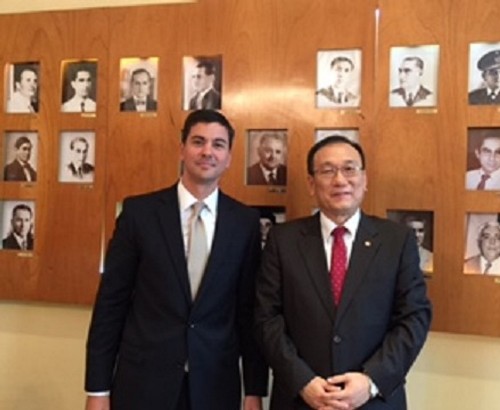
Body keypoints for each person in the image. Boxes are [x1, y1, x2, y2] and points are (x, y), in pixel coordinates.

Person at [85, 110, 268, 410]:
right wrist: (97, 389)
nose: (207, 151)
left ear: (229, 157)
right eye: (198, 142)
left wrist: (254, 390)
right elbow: (110, 304)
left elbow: (248, 313)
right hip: (143, 384)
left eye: (218, 144)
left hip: (215, 386)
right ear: (182, 149)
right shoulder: (139, 214)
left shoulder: (245, 222)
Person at [255, 135, 432, 409]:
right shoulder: (283, 240)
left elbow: (414, 317)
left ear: (364, 179)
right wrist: (302, 380)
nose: (340, 180)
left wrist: (371, 380)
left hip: (374, 400)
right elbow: (266, 317)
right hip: (300, 400)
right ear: (311, 184)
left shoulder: (397, 241)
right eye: (327, 171)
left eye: (349, 169)